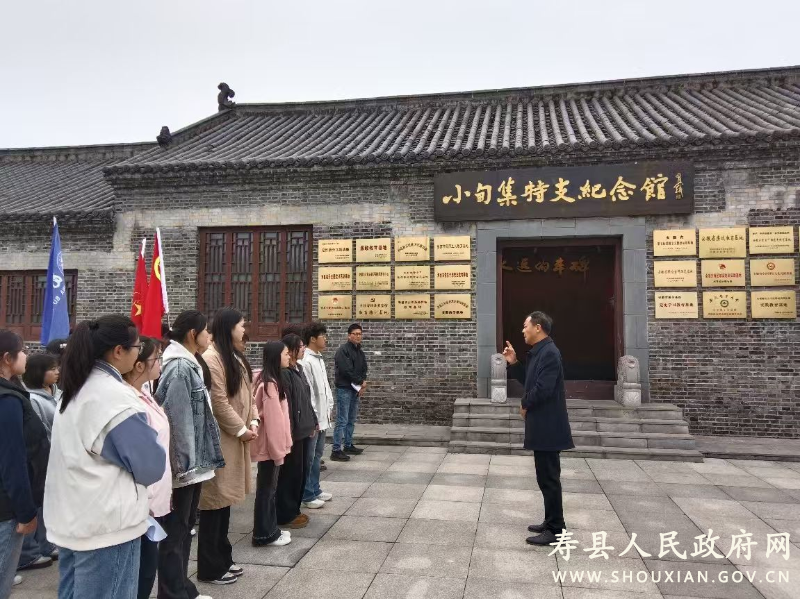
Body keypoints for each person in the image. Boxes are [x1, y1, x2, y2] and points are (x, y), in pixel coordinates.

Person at [44, 315, 166, 599]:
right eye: (137, 348)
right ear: (118, 351)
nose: (139, 354)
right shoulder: (114, 397)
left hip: (76, 517)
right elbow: (150, 465)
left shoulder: (78, 387)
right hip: (107, 526)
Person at [156, 310, 223, 599]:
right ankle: (173, 592)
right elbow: (178, 420)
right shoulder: (180, 368)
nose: (209, 336)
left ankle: (183, 588)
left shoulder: (188, 363)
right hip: (185, 464)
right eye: (206, 331)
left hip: (192, 461)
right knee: (176, 532)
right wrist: (184, 467)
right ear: (193, 334)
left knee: (183, 529)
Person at [502, 311, 574, 546]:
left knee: (549, 479)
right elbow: (531, 381)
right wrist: (514, 362)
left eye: (525, 326)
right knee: (545, 478)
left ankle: (556, 530)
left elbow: (543, 389)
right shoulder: (539, 352)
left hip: (549, 425)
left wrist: (524, 404)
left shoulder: (550, 353)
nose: (523, 330)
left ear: (538, 327)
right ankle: (551, 521)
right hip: (543, 425)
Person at [198, 308, 257, 586]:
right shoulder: (212, 358)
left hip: (235, 438)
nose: (244, 330)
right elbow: (218, 402)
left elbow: (249, 395)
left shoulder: (233, 355)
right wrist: (241, 430)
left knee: (225, 503)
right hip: (222, 439)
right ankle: (210, 567)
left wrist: (253, 419)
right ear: (228, 327)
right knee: (214, 502)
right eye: (241, 325)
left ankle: (223, 557)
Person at [121, 337, 172, 599]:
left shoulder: (145, 393)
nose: (160, 363)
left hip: (156, 495)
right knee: (142, 572)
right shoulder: (130, 401)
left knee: (147, 568)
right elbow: (138, 456)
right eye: (156, 358)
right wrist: (148, 498)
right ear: (139, 365)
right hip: (144, 501)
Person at [0, 330, 49, 599]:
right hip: (7, 507)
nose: (26, 356)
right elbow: (12, 459)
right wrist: (26, 511)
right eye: (22, 351)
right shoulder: (7, 400)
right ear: (7, 359)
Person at [17, 353, 61, 572]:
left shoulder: (56, 392)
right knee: (38, 503)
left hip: (57, 458)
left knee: (47, 504)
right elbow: (40, 431)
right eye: (52, 369)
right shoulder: (33, 399)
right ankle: (31, 550)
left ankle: (45, 544)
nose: (57, 372)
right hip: (44, 457)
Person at [250, 341, 293, 547]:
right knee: (267, 491)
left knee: (268, 490)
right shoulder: (269, 384)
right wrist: (279, 452)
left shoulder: (271, 380)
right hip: (269, 447)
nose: (288, 357)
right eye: (286, 354)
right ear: (276, 357)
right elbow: (274, 422)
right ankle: (264, 534)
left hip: (270, 446)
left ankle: (269, 529)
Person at [276, 334, 317, 527]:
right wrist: (290, 433)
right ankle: (286, 513)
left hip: (305, 429)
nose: (303, 349)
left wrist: (313, 420)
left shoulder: (298, 369)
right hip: (294, 433)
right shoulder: (285, 373)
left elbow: (306, 399)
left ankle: (295, 509)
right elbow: (289, 407)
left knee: (301, 472)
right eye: (300, 346)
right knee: (290, 474)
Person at [298, 322, 334, 508]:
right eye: (323, 336)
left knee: (317, 455)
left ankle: (315, 488)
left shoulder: (318, 358)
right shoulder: (306, 361)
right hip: (314, 419)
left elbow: (325, 388)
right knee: (309, 457)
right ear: (312, 339)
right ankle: (307, 494)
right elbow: (309, 392)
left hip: (323, 417)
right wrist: (313, 418)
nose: (325, 339)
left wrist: (329, 408)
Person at [331, 323, 368, 461]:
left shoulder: (360, 351)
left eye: (360, 334)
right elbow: (346, 370)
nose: (358, 336)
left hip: (355, 389)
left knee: (351, 419)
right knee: (342, 420)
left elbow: (364, 368)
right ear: (349, 335)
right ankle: (336, 450)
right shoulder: (343, 351)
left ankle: (348, 444)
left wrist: (362, 384)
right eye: (355, 334)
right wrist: (360, 381)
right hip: (344, 389)